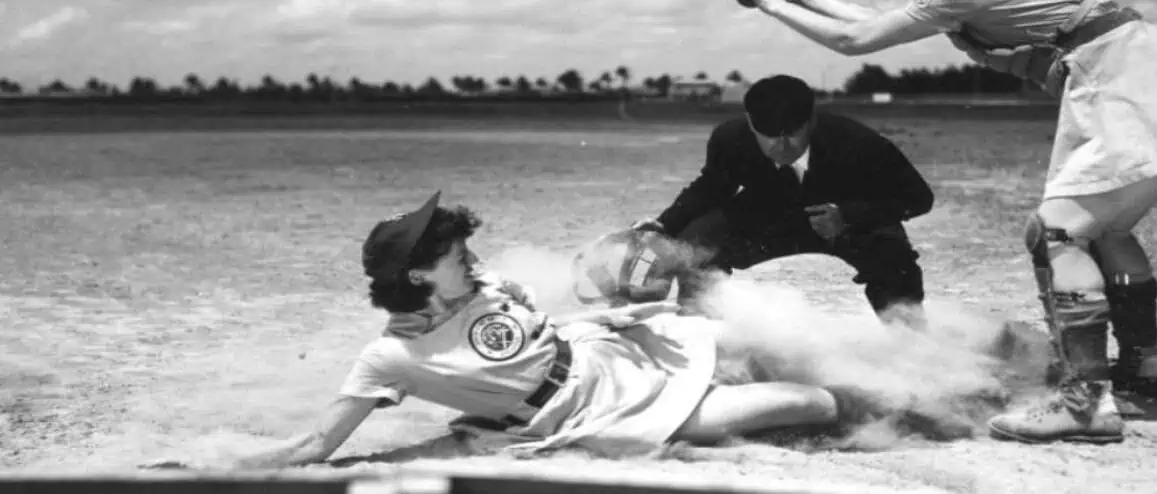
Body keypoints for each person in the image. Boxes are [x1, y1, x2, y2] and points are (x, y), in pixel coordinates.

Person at [724, 0, 1157, 444]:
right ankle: (1141, 366)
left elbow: (856, 41)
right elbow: (872, 19)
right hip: (1155, 71)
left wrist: (766, 1)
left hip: (1124, 81)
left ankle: (1085, 403)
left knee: (1057, 233)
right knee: (1103, 229)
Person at [164, 192, 888, 469]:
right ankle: (889, 414)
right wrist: (210, 471)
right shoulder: (389, 358)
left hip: (612, 348)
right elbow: (315, 446)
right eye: (453, 253)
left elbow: (552, 331)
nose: (471, 257)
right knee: (799, 406)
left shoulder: (486, 285)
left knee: (757, 340)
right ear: (418, 275)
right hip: (592, 413)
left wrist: (617, 310)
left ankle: (906, 378)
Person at [630, 73, 935, 320]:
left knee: (894, 258)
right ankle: (702, 331)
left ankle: (909, 342)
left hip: (844, 219)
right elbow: (711, 188)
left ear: (811, 122)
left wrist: (849, 215)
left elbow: (919, 197)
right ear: (750, 123)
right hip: (769, 216)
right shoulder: (730, 138)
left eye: (792, 134)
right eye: (769, 135)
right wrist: (662, 224)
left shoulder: (856, 141)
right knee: (696, 241)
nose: (782, 146)